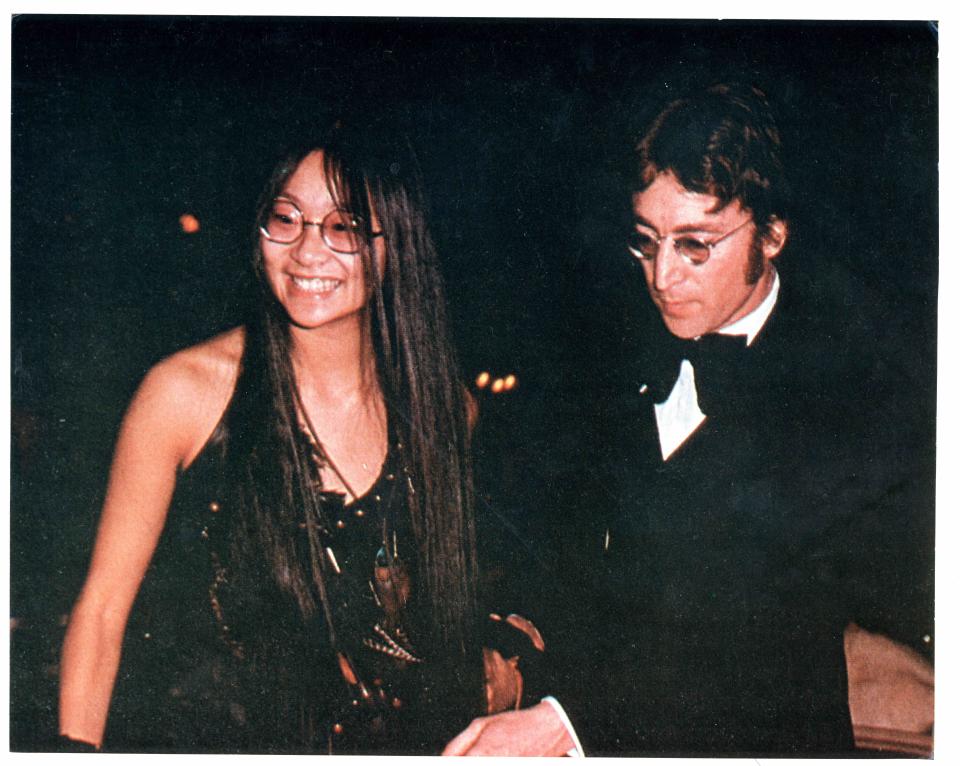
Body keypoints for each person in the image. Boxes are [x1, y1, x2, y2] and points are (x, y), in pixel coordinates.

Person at [444, 83, 933, 756]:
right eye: (646, 241)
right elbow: (568, 554)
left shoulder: (846, 391)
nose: (662, 276)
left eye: (695, 245)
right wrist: (514, 639)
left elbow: (753, 636)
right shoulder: (610, 354)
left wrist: (565, 719)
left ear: (772, 233)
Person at [58, 120, 485, 753]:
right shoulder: (183, 393)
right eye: (286, 219)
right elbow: (100, 613)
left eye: (343, 227)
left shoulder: (444, 410)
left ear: (396, 244)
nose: (308, 252)